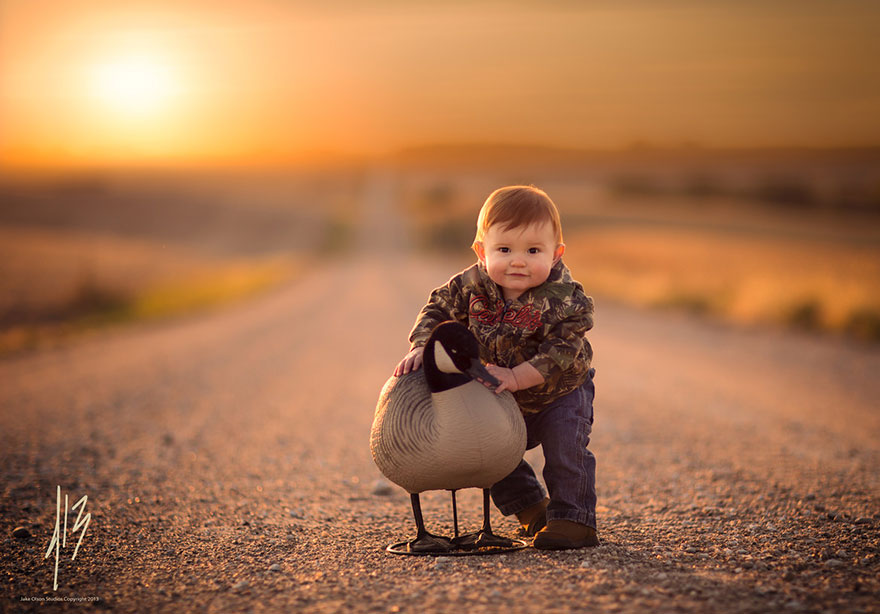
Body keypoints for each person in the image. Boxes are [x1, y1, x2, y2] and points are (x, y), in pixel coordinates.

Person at [394, 185, 598, 550]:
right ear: (481, 251)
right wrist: (422, 344)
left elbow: (563, 349)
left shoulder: (565, 297)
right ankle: (532, 508)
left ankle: (574, 518)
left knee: (565, 449)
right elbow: (437, 310)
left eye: (533, 250)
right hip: (500, 389)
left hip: (559, 393)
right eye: (504, 250)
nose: (518, 261)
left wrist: (519, 376)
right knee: (489, 451)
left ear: (556, 255)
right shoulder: (470, 285)